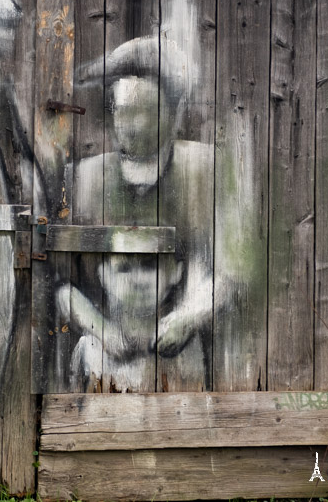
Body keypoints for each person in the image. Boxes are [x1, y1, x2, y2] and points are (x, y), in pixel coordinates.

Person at [57, 35, 214, 391]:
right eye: (123, 110)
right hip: (104, 356)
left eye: (144, 111)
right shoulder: (83, 179)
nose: (130, 124)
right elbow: (56, 278)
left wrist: (188, 318)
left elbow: (232, 269)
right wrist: (101, 330)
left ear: (174, 113)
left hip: (180, 358)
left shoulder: (205, 173)